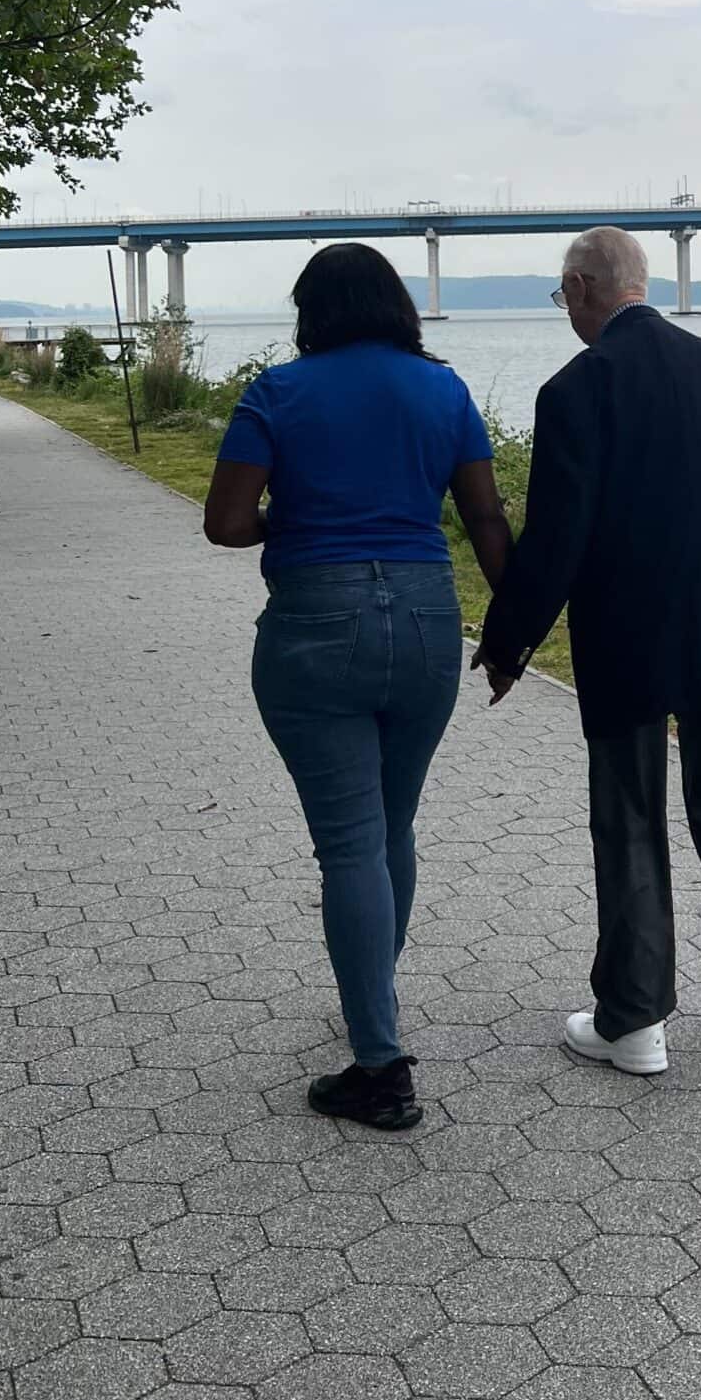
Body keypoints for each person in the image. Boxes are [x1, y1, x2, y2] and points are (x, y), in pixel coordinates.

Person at [476, 225, 701, 1077]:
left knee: (628, 816)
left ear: (584, 287)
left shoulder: (576, 390)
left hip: (625, 631)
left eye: (562, 297)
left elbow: (557, 538)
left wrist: (508, 643)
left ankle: (635, 1020)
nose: (565, 313)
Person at [204, 242, 513, 1131]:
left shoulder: (277, 392)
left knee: (349, 843)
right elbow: (485, 517)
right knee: (394, 824)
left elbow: (226, 523)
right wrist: (513, 633)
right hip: (425, 619)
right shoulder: (442, 390)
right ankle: (370, 987)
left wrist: (289, 516)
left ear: (313, 311)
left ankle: (379, 1064)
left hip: (314, 627)